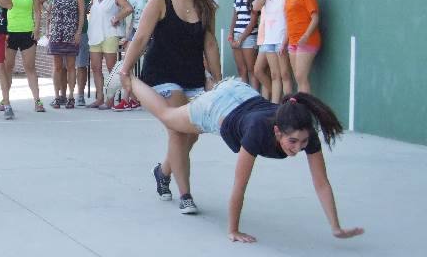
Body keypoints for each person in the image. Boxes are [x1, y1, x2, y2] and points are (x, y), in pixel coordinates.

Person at [124, 74, 364, 243]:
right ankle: (128, 77)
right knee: (169, 118)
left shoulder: (302, 130)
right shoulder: (257, 132)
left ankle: (163, 173)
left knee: (187, 139)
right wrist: (233, 230)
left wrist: (335, 226)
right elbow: (240, 185)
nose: (299, 148)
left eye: (303, 142)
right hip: (217, 107)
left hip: (241, 92)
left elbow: (321, 183)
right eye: (293, 142)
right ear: (278, 132)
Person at [120, 0, 221, 214]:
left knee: (192, 135)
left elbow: (209, 44)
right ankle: (186, 194)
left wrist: (217, 79)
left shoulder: (206, 6)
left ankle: (163, 171)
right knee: (178, 130)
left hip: (193, 77)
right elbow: (141, 36)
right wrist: (125, 69)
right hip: (162, 76)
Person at [86, 0, 132, 109]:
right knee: (96, 68)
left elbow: (128, 8)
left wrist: (117, 18)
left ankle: (110, 99)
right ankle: (100, 98)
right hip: (94, 34)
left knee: (111, 68)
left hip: (109, 34)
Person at [40, 0, 84, 109]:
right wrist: (48, 10)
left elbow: (82, 14)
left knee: (71, 66)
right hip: (56, 32)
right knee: (57, 67)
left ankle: (71, 96)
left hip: (71, 33)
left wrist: (78, 32)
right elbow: (38, 0)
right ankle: (57, 96)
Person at [5, 0, 43, 112]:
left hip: (27, 32)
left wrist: (36, 29)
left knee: (30, 67)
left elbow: (37, 11)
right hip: (10, 32)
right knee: (8, 67)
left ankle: (37, 101)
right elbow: (3, 9)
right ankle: (5, 99)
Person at [253, 0, 292, 103]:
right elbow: (256, 7)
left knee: (285, 75)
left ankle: (289, 106)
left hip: (282, 38)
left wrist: (285, 41)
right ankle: (276, 106)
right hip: (269, 39)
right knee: (275, 75)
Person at [68, 0, 101, 106]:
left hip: (82, 31)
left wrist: (92, 4)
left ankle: (80, 95)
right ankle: (66, 95)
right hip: (63, 31)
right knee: (64, 66)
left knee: (81, 65)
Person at [284, 0, 321, 94]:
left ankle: (305, 109)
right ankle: (300, 108)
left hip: (307, 40)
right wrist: (286, 41)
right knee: (298, 78)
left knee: (301, 77)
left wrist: (306, 35)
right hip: (293, 41)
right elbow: (289, 20)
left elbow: (315, 18)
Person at [228, 0, 260, 89]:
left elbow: (252, 22)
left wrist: (240, 39)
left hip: (249, 37)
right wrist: (231, 35)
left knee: (252, 70)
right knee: (241, 70)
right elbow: (234, 18)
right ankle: (245, 99)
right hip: (236, 36)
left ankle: (255, 99)